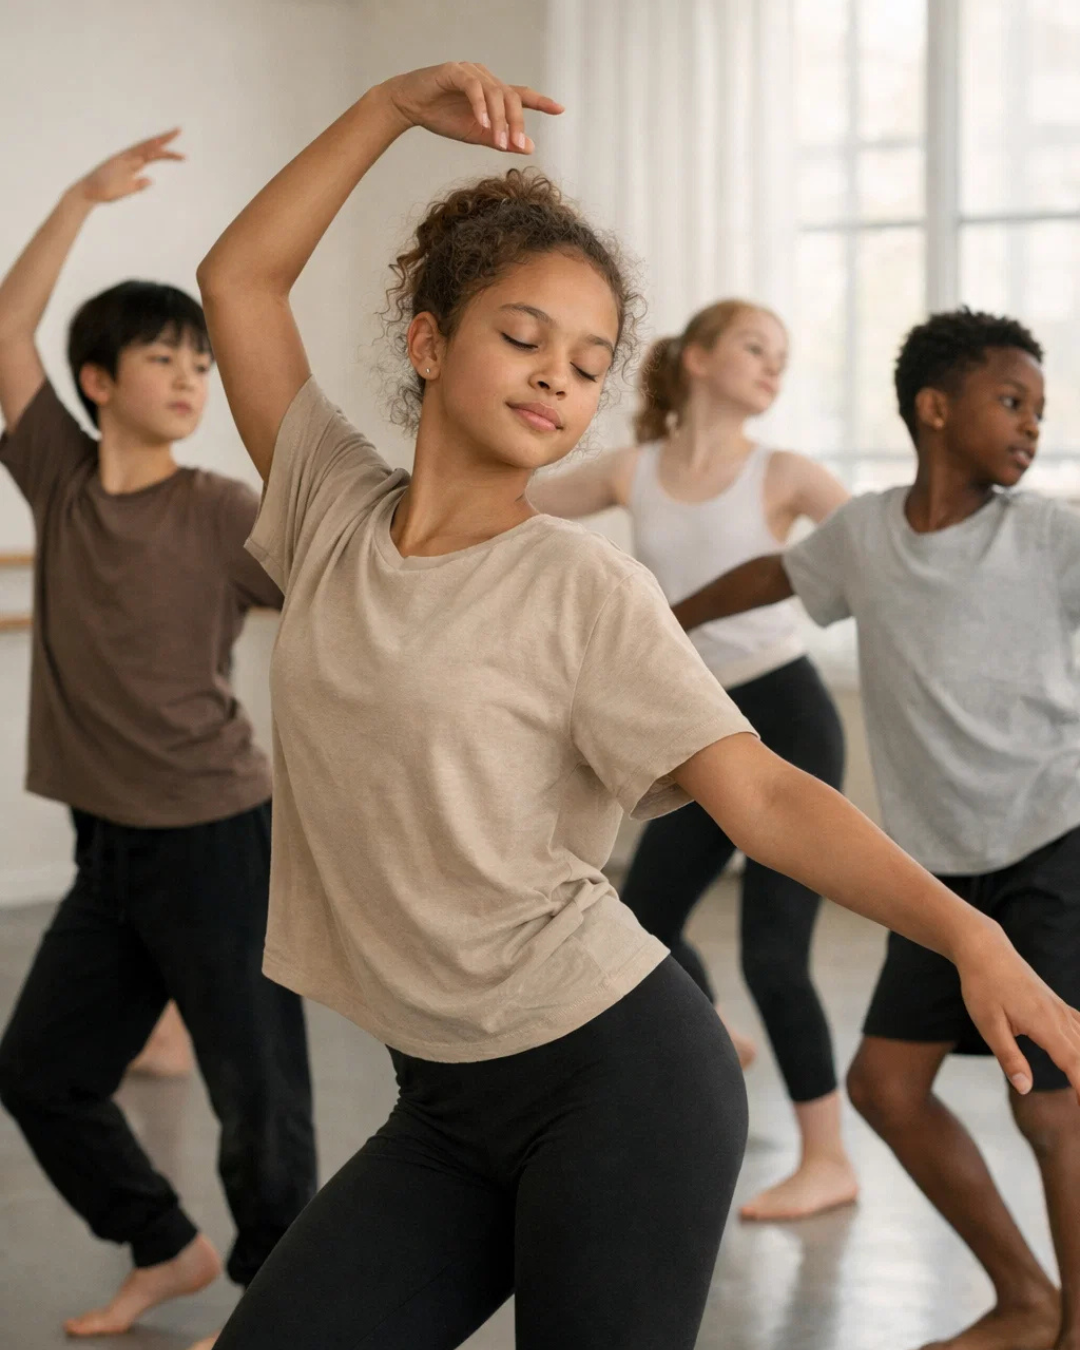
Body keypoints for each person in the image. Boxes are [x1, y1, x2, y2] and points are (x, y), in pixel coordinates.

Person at [196, 65, 1080, 1350]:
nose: (559, 377)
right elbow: (239, 282)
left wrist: (974, 941)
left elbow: (766, 793)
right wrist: (387, 110)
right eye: (522, 337)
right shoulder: (331, 507)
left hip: (617, 1080)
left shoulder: (581, 583)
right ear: (430, 341)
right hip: (440, 1103)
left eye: (590, 363)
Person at [672, 307, 1080, 1350]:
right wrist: (666, 624)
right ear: (934, 409)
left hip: (1052, 845)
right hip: (938, 878)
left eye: (1040, 406)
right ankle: (1028, 1301)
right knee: (887, 1087)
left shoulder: (1047, 532)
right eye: (1012, 400)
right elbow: (767, 577)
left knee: (1053, 1106)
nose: (1034, 422)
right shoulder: (862, 536)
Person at [0, 133, 316, 1348]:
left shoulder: (225, 507)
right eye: (164, 358)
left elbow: (339, 592)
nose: (192, 377)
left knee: (261, 1102)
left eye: (200, 360)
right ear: (98, 379)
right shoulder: (62, 482)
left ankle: (288, 1312)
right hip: (109, 852)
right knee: (39, 1075)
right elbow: (8, 325)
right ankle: (167, 1249)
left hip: (217, 837)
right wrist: (79, 197)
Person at [530, 299, 857, 1222]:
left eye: (783, 357)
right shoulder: (634, 471)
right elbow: (515, 493)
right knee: (644, 919)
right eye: (757, 347)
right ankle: (712, 1028)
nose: (774, 367)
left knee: (775, 956)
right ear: (701, 358)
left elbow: (886, 542)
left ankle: (828, 1157)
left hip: (788, 712)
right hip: (696, 725)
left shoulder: (783, 472)